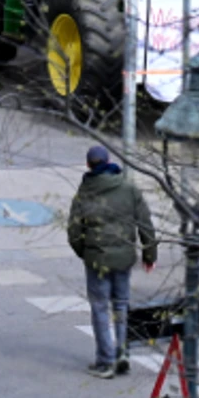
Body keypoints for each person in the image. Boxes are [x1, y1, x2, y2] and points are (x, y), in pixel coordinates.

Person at [66, 144, 158, 377]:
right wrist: (150, 254)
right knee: (121, 304)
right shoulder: (128, 188)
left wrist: (86, 252)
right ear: (108, 162)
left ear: (88, 165)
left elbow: (74, 231)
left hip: (97, 259)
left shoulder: (84, 192)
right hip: (124, 257)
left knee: (100, 308)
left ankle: (106, 362)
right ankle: (122, 353)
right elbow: (145, 223)